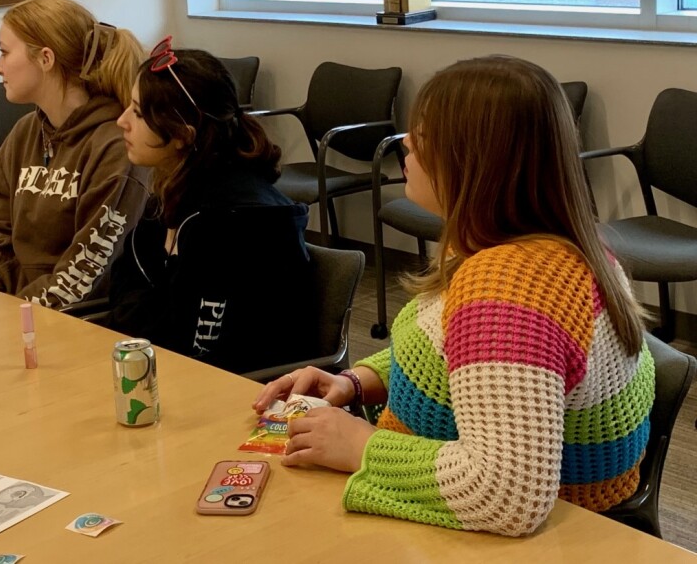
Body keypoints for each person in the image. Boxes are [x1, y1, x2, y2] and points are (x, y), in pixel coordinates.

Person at [253, 55, 655, 537]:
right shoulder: (556, 244)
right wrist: (358, 381)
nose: (406, 143)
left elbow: (509, 496)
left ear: (475, 159)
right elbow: (461, 359)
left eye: (423, 135)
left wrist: (363, 446)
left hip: (540, 538)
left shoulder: (507, 291)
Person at [102, 39, 315, 374]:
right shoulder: (173, 191)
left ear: (183, 135)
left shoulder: (238, 223)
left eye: (139, 113)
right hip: (167, 375)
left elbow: (188, 346)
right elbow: (123, 284)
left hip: (236, 393)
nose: (122, 121)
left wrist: (142, 310)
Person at [0, 0, 149, 308]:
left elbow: (82, 277)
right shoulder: (25, 133)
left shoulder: (115, 146)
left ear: (46, 59)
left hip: (75, 322)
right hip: (20, 312)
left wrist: (9, 316)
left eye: (4, 53)